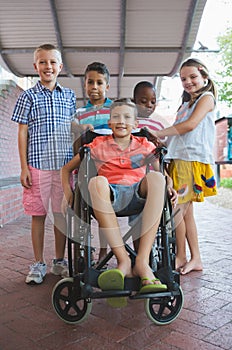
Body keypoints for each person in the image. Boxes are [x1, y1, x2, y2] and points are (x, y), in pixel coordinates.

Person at [61, 98, 177, 307]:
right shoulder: (97, 145)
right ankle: (123, 260)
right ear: (109, 121)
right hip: (108, 197)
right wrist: (68, 193)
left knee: (157, 179)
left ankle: (141, 262)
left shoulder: (145, 145)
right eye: (116, 117)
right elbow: (66, 169)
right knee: (96, 181)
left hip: (137, 197)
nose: (121, 121)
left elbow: (162, 172)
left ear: (135, 124)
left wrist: (169, 184)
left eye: (126, 117)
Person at [11, 44, 76, 284]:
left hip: (63, 168)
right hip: (37, 166)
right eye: (42, 62)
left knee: (60, 215)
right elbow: (22, 132)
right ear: (35, 66)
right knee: (37, 215)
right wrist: (24, 167)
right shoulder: (28, 96)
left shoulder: (69, 96)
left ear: (60, 66)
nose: (48, 66)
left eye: (52, 62)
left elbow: (73, 130)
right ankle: (38, 263)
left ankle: (60, 261)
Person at [149, 58, 218, 275]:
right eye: (183, 79)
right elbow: (178, 135)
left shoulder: (206, 98)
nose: (188, 82)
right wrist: (163, 142)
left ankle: (181, 255)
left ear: (204, 77)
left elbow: (189, 126)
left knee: (178, 210)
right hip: (179, 160)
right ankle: (194, 257)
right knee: (186, 213)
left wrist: (160, 132)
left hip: (190, 162)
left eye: (193, 77)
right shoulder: (186, 104)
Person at [73, 62, 113, 263]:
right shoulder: (79, 114)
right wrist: (79, 130)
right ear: (85, 85)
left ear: (107, 86)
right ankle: (88, 248)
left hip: (112, 169)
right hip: (88, 169)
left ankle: (104, 250)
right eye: (90, 82)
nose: (94, 87)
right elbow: (75, 148)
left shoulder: (115, 110)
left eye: (99, 82)